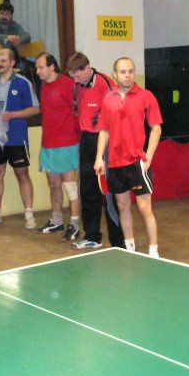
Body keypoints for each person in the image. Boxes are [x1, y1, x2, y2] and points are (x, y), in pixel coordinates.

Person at [94, 57, 162, 258]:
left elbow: (156, 129)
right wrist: (99, 157)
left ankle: (153, 251)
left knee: (144, 207)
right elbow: (104, 131)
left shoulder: (146, 97)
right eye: (123, 72)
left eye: (131, 71)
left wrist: (148, 157)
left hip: (137, 163)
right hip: (115, 162)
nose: (128, 75)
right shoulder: (109, 99)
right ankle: (130, 249)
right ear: (115, 75)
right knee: (123, 207)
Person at [66, 52, 125, 249]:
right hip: (86, 141)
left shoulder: (103, 82)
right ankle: (92, 236)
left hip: (105, 140)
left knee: (108, 192)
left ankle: (118, 242)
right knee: (87, 190)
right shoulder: (77, 86)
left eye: (77, 76)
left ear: (87, 68)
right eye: (72, 77)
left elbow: (119, 112)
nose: (75, 80)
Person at [0, 48, 40, 229]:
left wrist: (13, 115)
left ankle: (29, 215)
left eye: (3, 60)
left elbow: (35, 109)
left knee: (22, 174)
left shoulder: (23, 83)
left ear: (12, 62)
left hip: (17, 138)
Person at [34, 53, 81, 240]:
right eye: (37, 68)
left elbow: (77, 112)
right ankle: (56, 221)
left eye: (40, 67)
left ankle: (74, 225)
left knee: (70, 187)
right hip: (48, 144)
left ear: (52, 67)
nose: (37, 71)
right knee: (53, 185)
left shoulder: (69, 85)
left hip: (66, 144)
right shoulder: (44, 86)